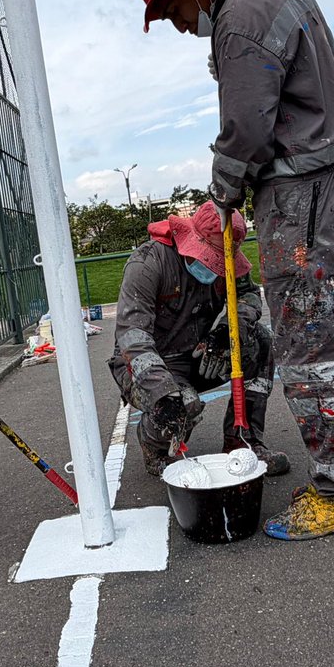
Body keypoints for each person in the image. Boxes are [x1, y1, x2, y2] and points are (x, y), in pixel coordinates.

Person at [134, 0, 334, 540]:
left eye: (172, 13)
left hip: (305, 196)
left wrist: (223, 193)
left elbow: (246, 126)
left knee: (313, 348)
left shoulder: (240, 17)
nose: (177, 27)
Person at [109, 201, 289, 479]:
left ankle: (241, 441)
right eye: (210, 260)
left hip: (200, 354)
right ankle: (154, 444)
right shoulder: (148, 263)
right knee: (181, 404)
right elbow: (133, 336)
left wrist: (228, 330)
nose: (215, 269)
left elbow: (249, 296)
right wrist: (163, 393)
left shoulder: (229, 256)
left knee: (260, 342)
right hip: (149, 365)